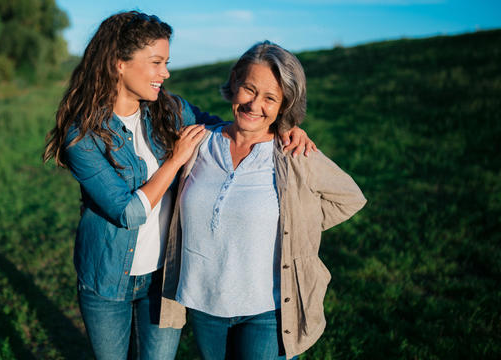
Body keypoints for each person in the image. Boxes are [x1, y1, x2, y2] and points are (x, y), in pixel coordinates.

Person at [43, 11, 316, 360]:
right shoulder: (81, 136)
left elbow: (230, 129)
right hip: (107, 279)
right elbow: (128, 212)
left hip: (164, 278)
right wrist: (174, 160)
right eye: (156, 62)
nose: (166, 73)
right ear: (119, 64)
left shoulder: (169, 110)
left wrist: (285, 130)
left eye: (166, 62)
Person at [159, 41, 367, 359]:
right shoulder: (199, 143)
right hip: (203, 300)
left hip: (266, 308)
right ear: (234, 83)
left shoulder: (292, 152)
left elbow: (349, 198)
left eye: (270, 98)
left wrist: (298, 220)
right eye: (249, 89)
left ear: (284, 105)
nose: (255, 105)